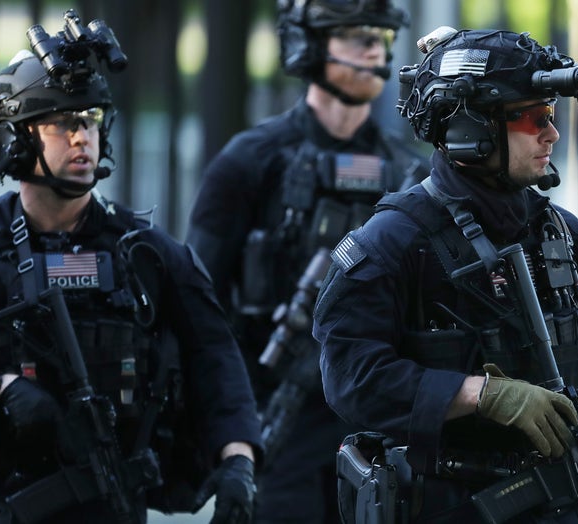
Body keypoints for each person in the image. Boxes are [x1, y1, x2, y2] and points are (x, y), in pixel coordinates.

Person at [0, 10, 260, 524]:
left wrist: (237, 459)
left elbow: (215, 356)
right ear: (16, 139)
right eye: (63, 123)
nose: (83, 138)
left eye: (91, 120)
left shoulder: (148, 254)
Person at [312, 27, 578, 523]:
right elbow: (351, 379)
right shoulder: (394, 241)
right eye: (531, 117)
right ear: (470, 129)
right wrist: (481, 395)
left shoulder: (564, 237)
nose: (551, 133)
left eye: (552, 115)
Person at [186, 0, 429, 522]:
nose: (372, 49)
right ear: (309, 44)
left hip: (378, 423)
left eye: (380, 37)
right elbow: (197, 309)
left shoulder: (410, 172)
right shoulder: (249, 162)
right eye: (354, 36)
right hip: (277, 413)